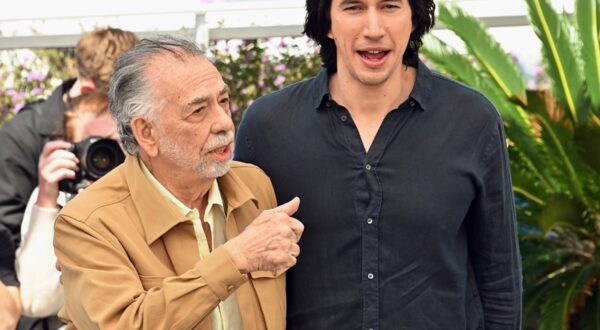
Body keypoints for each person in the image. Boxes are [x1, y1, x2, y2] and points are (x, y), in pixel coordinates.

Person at [235, 0, 522, 329]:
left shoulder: (472, 120)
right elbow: (240, 272)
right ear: (327, 22)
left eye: (389, 6)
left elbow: (499, 280)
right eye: (353, 8)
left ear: (413, 19)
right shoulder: (267, 127)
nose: (373, 29)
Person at [53, 36, 304, 329]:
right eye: (198, 110)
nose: (224, 122)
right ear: (146, 133)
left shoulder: (255, 184)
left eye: (223, 101)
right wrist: (235, 259)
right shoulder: (87, 222)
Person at [0, 27, 138, 330]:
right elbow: (5, 239)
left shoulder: (135, 150)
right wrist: (49, 198)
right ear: (88, 89)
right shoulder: (22, 137)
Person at [15, 91, 118, 330]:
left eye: (111, 144)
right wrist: (47, 198)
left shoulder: (146, 190)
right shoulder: (60, 197)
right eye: (90, 147)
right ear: (71, 152)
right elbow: (35, 302)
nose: (102, 158)